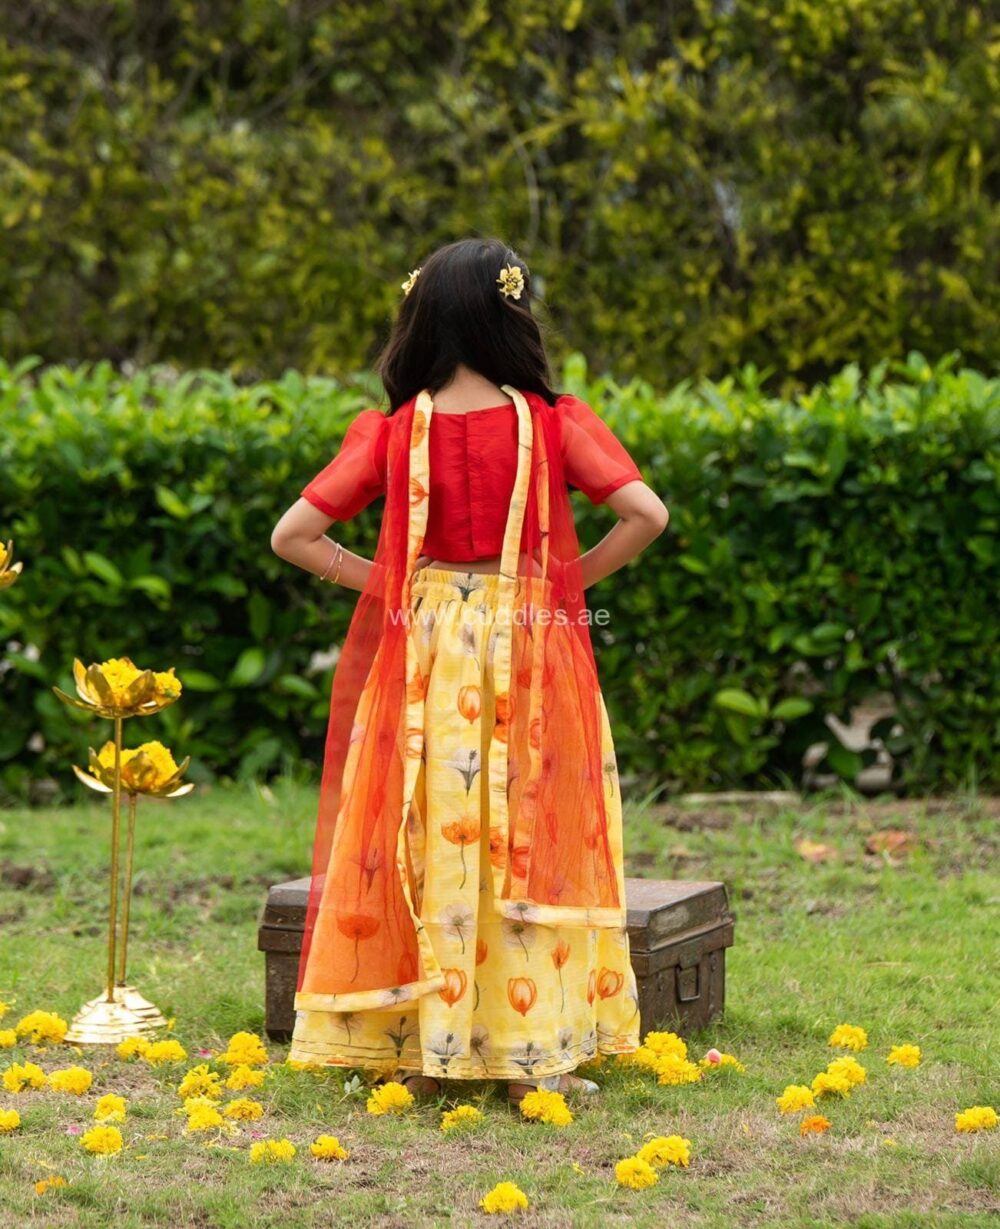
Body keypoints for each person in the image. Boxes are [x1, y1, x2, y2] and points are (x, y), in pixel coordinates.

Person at [270, 237, 669, 1106]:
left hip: (422, 647)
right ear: (509, 313)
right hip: (528, 642)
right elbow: (646, 512)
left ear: (422, 318)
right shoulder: (554, 421)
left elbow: (292, 535)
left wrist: (383, 583)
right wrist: (564, 579)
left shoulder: (396, 430)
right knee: (525, 833)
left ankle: (427, 1040)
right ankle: (533, 1045)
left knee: (426, 829)